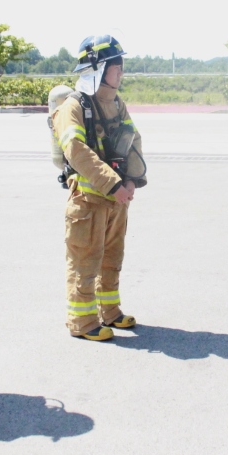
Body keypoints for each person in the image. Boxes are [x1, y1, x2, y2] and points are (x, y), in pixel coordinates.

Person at [52, 35, 147, 341]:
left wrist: (131, 180)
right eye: (116, 66)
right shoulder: (74, 106)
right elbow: (76, 150)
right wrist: (113, 184)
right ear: (98, 68)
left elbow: (134, 139)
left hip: (116, 198)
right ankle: (83, 323)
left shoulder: (116, 104)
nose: (121, 72)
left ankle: (110, 312)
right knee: (85, 261)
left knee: (111, 257)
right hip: (89, 200)